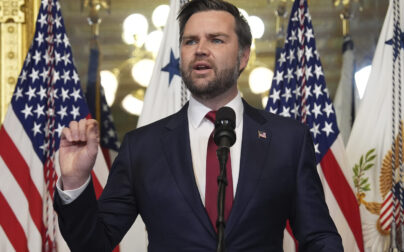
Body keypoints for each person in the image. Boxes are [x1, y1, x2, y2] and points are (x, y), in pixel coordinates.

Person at [54, 0, 343, 251]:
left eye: (216, 39)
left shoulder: (288, 140)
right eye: (190, 41)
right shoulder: (142, 147)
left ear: (244, 56)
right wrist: (75, 182)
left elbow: (319, 238)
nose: (200, 49)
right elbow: (94, 244)